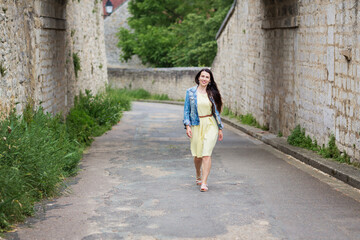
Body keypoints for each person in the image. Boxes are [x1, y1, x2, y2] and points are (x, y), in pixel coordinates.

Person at [183, 68, 223, 192]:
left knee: (206, 154)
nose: (204, 79)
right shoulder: (190, 92)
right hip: (196, 124)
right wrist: (188, 126)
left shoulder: (212, 93)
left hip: (210, 124)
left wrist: (220, 128)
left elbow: (216, 112)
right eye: (203, 76)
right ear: (198, 77)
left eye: (207, 77)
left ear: (210, 80)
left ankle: (204, 182)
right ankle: (198, 173)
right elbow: (186, 111)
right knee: (198, 156)